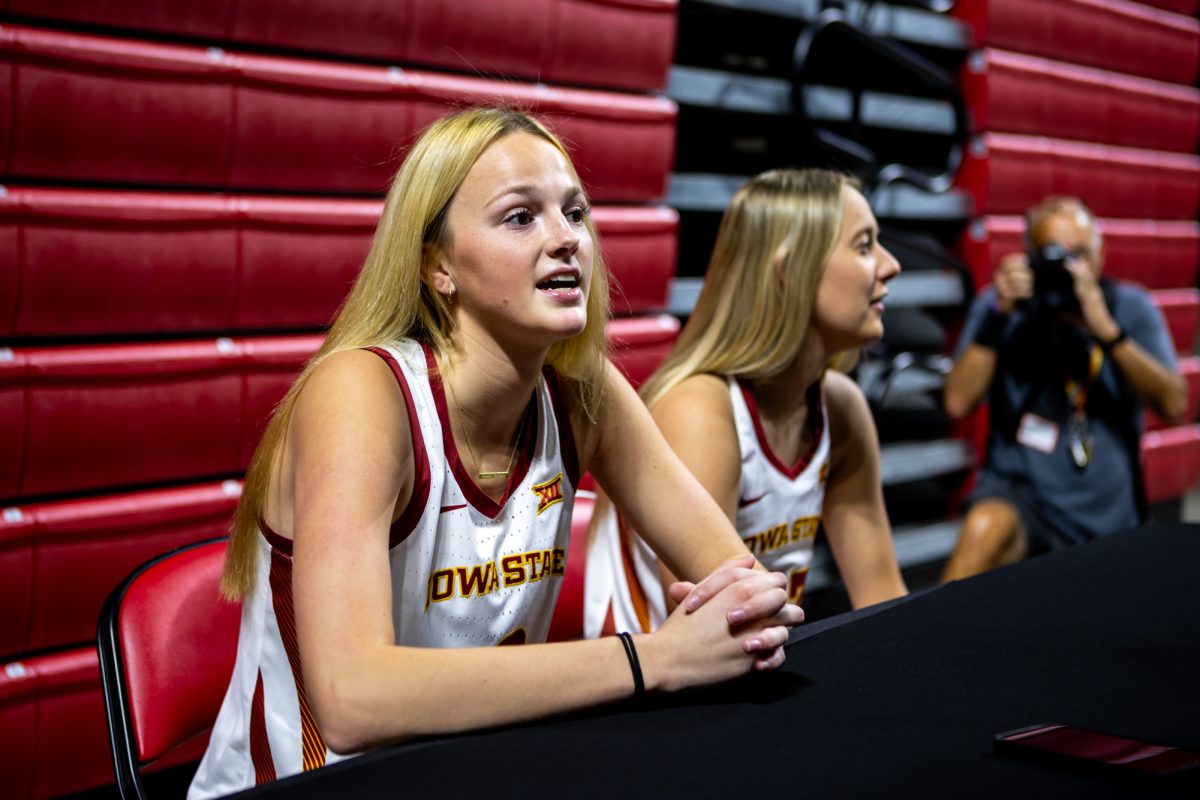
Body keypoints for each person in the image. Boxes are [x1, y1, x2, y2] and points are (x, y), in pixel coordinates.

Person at [188, 108, 803, 798]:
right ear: (439, 265)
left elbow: (746, 590)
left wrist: (742, 610)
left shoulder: (583, 390)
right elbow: (352, 699)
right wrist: (650, 660)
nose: (565, 238)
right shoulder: (362, 393)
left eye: (575, 212)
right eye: (521, 218)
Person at [585, 168, 908, 638]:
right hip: (660, 696)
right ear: (788, 270)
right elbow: (713, 632)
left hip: (764, 658)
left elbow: (884, 603)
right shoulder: (699, 410)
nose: (890, 264)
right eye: (863, 245)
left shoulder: (839, 406)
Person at [941, 196, 1187, 580]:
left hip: (1109, 508)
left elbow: (1175, 404)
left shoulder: (1129, 306)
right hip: (1025, 496)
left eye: (1080, 255)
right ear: (1031, 259)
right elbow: (957, 402)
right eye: (1055, 257)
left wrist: (1106, 331)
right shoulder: (1002, 307)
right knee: (984, 529)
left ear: (1100, 255)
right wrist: (996, 317)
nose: (1070, 269)